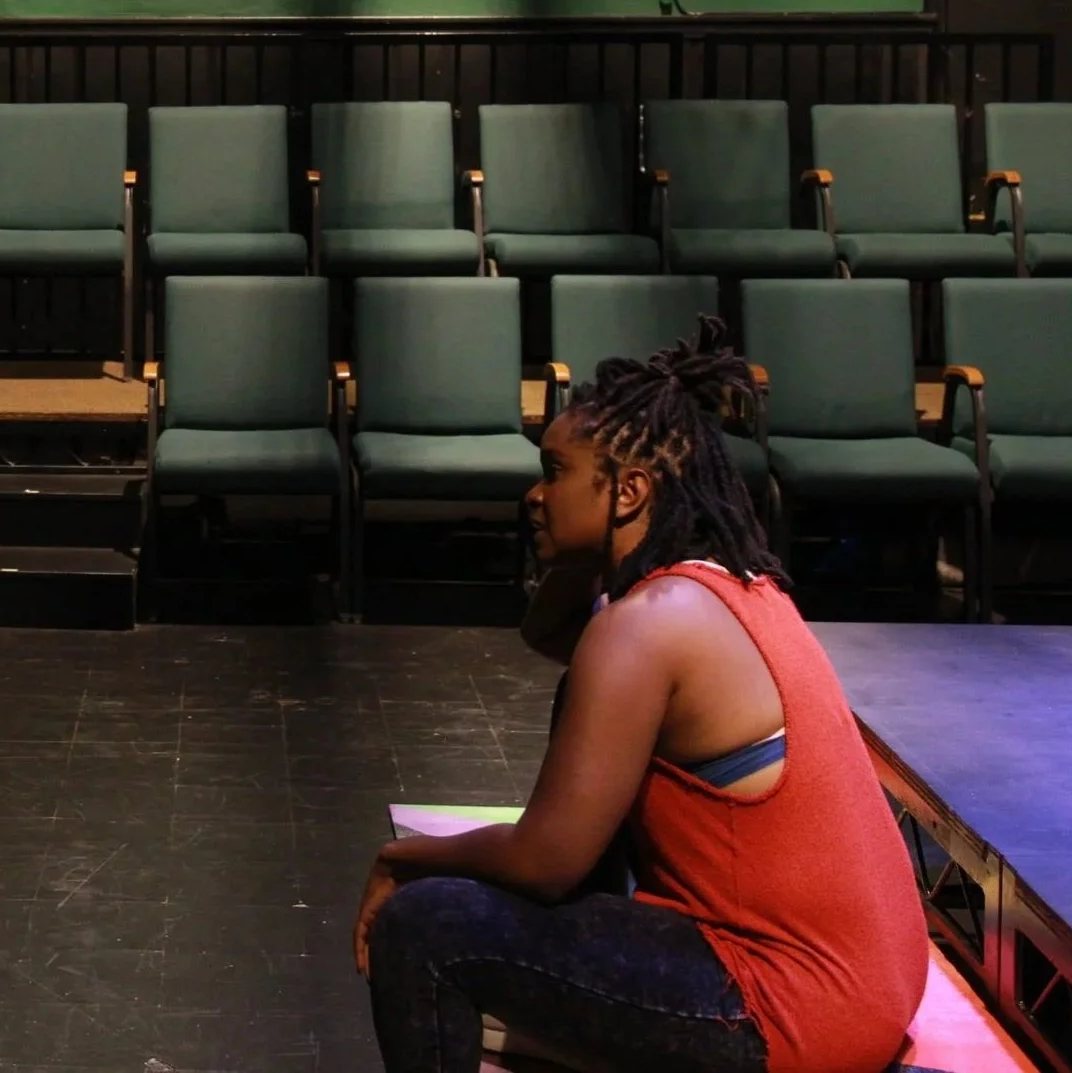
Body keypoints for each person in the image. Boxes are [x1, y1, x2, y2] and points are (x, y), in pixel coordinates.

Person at [354, 318, 927, 1073]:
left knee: (423, 924)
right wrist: (574, 538)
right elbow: (548, 631)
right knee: (581, 730)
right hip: (866, 987)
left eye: (553, 471)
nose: (533, 493)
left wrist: (406, 858)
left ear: (628, 489)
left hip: (789, 1009)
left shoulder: (646, 628)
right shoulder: (722, 589)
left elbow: (544, 861)